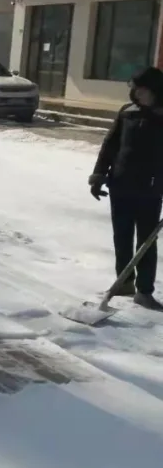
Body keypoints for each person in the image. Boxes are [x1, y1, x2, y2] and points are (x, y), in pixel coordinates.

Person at [89, 66, 163, 311]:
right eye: (134, 90)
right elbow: (110, 145)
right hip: (120, 183)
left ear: (154, 90)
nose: (136, 95)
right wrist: (99, 176)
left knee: (146, 241)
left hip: (150, 188)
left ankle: (144, 291)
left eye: (141, 90)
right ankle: (124, 283)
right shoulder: (127, 112)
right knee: (121, 237)